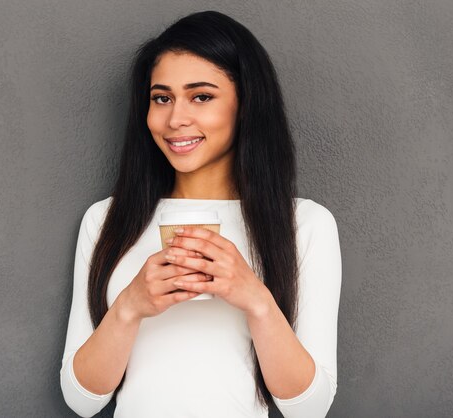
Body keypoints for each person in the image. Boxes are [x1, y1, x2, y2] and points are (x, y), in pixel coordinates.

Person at [60, 10, 341, 418]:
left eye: (202, 96)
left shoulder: (305, 225)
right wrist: (130, 305)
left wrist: (255, 299)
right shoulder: (106, 220)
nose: (176, 119)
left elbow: (308, 409)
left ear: (245, 105)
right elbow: (82, 401)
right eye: (162, 98)